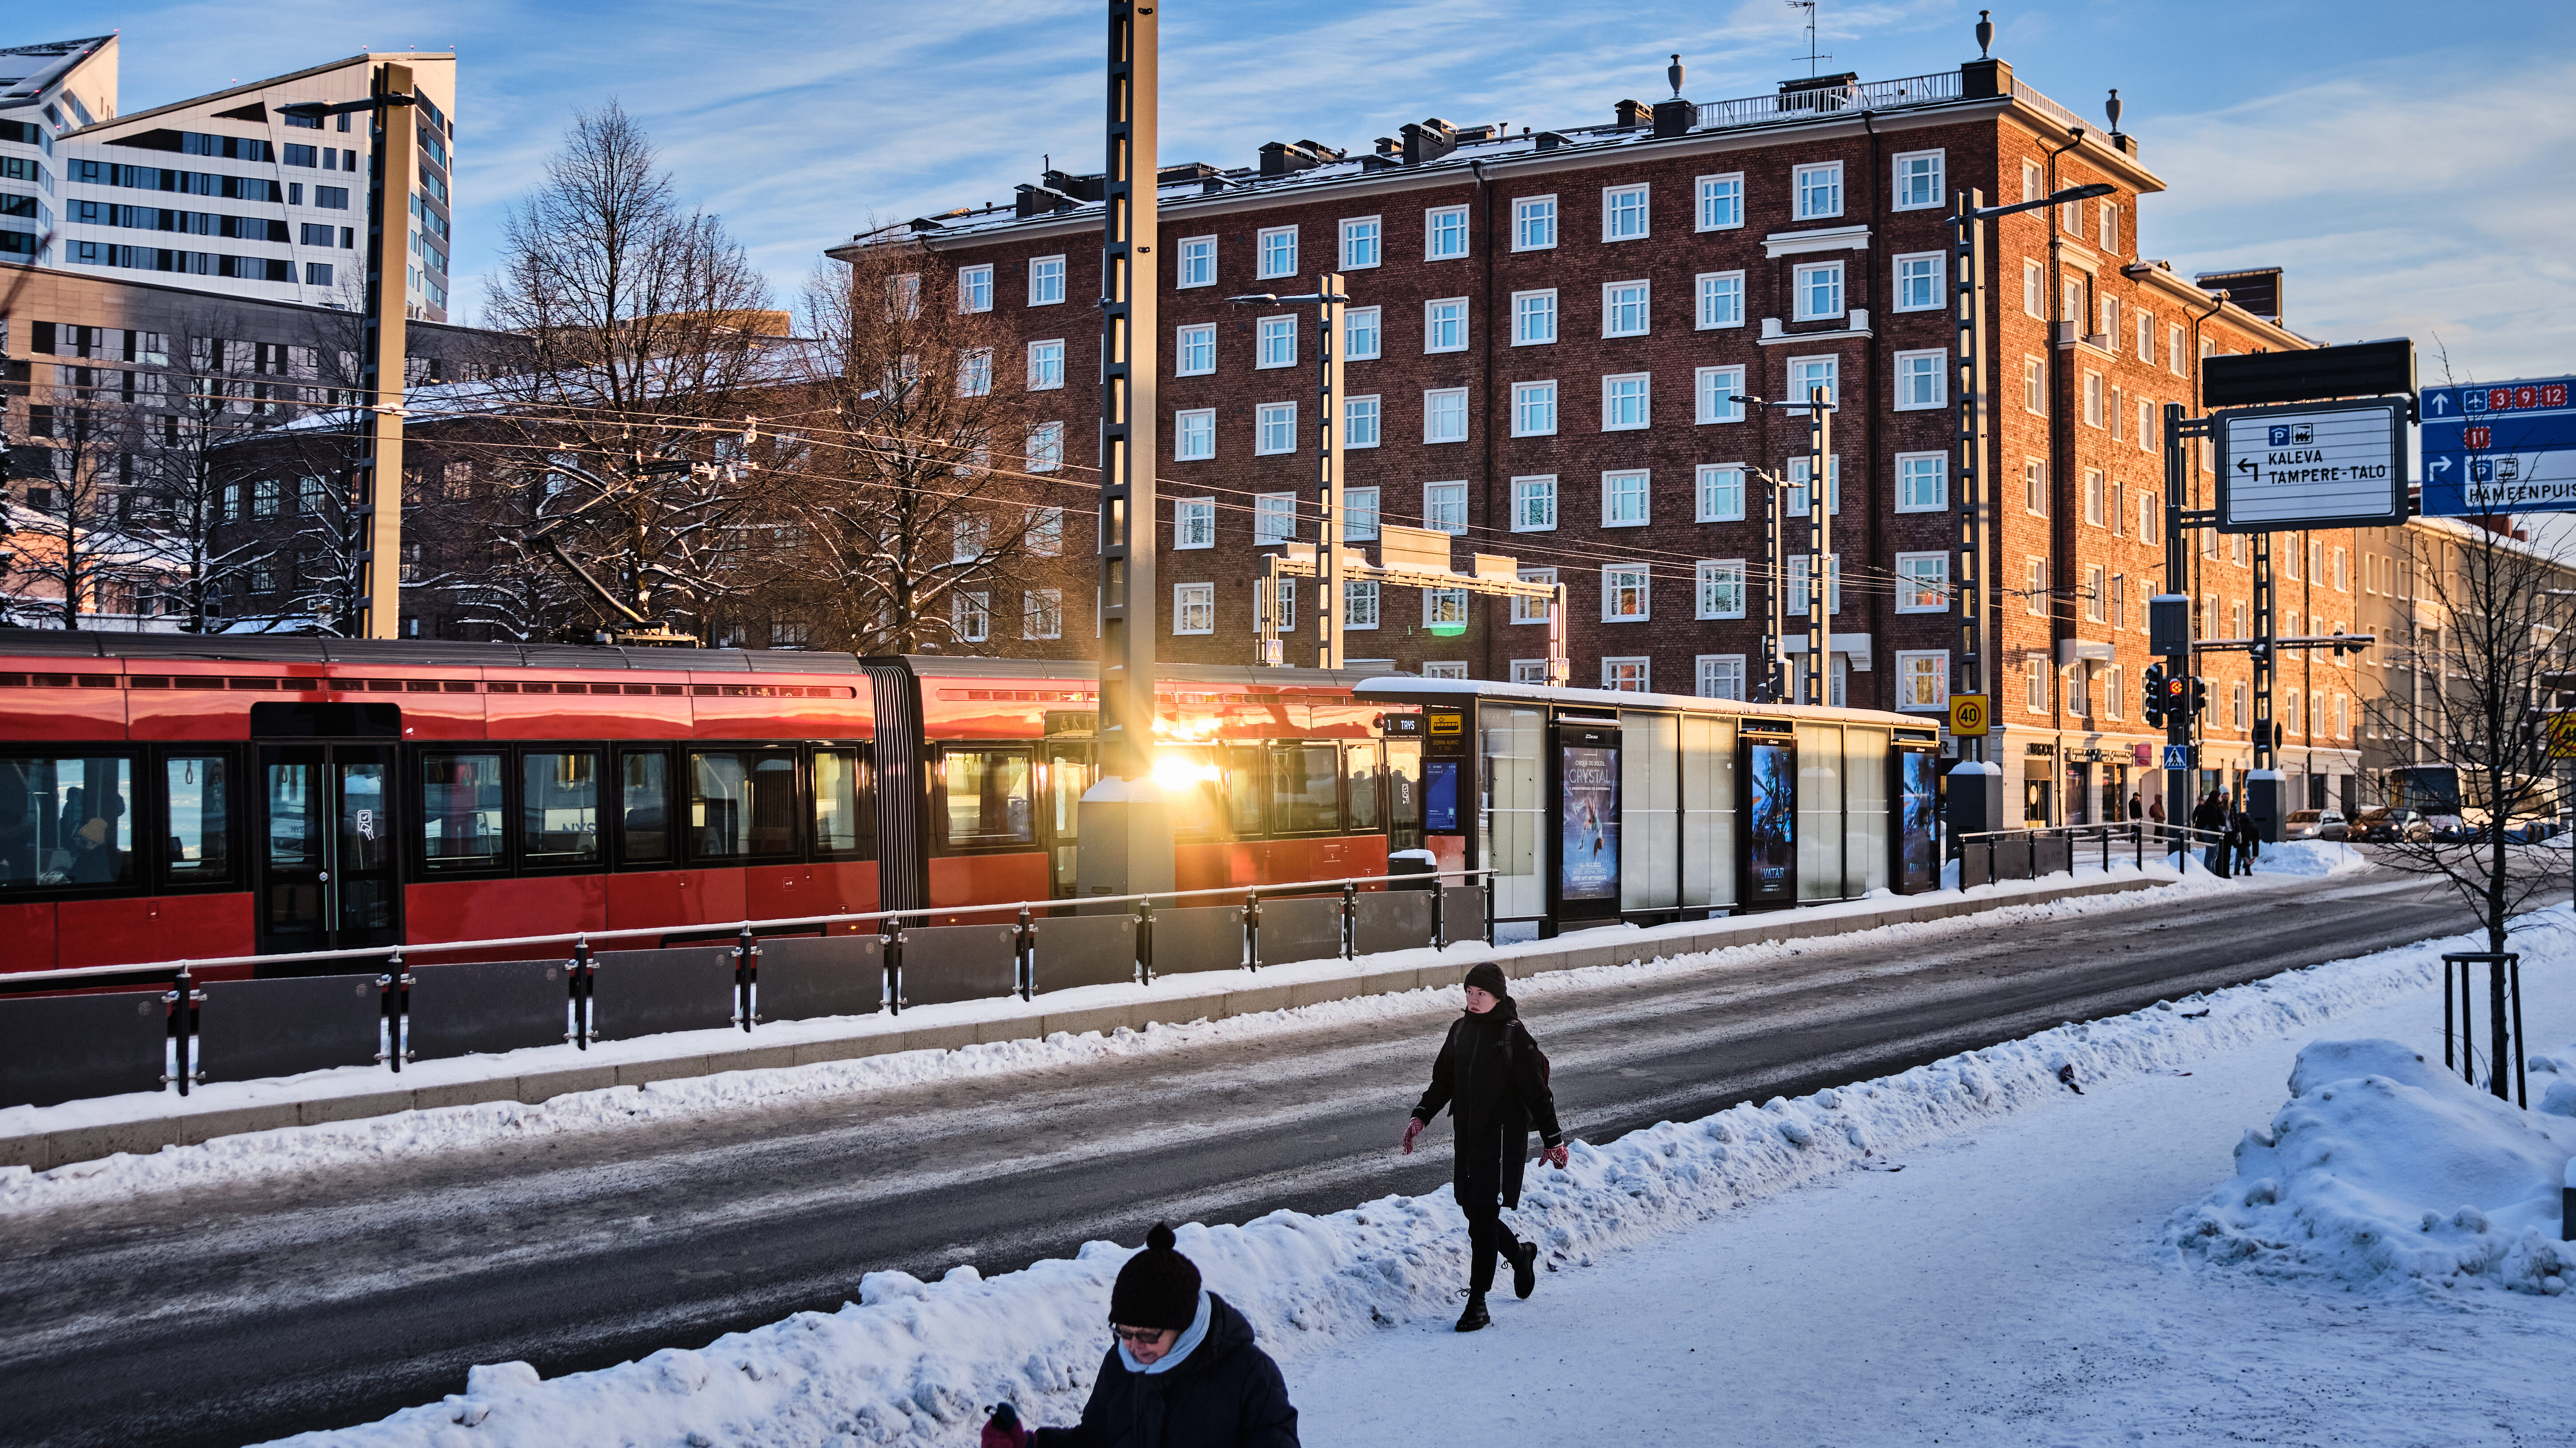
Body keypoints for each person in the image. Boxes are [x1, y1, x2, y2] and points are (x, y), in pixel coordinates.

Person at [981, 1222, 1298, 1448]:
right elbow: (1096, 1440)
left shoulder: (1250, 1375)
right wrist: (1031, 1445)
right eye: (1124, 1332)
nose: (1133, 1347)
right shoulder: (1122, 1364)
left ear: (1184, 1324)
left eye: (1147, 1335)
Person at [1402, 960, 1568, 1332]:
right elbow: (1443, 1082)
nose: (1474, 1000)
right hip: (1468, 1138)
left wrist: (1553, 1140)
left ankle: (1477, 1302)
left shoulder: (1513, 1036)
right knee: (1475, 1212)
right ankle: (1520, 1254)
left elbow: (1537, 1095)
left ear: (1498, 997)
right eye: (1469, 993)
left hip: (1502, 1143)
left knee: (1480, 1221)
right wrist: (1420, 1117)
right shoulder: (1460, 1031)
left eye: (1482, 994)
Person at [2192, 790, 2230, 876]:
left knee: (2214, 853)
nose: (2221, 798)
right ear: (2216, 798)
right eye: (2220, 797)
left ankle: (2212, 872)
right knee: (2211, 853)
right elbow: (2213, 822)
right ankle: (2209, 872)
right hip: (2211, 832)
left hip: (2211, 831)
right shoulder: (2211, 807)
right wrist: (2217, 835)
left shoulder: (2213, 806)